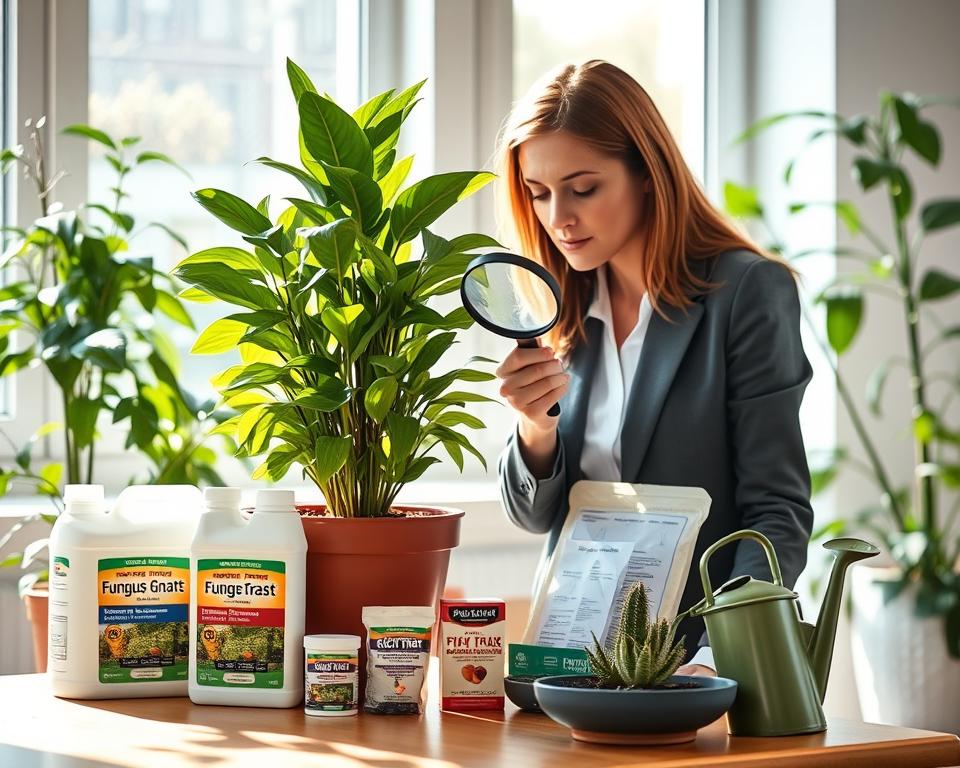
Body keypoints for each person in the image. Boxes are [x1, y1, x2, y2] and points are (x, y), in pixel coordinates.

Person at [495, 60, 813, 676]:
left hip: (698, 663)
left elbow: (777, 510)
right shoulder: (559, 312)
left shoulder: (746, 292)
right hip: (569, 659)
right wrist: (535, 430)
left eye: (583, 188)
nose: (558, 216)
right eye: (538, 193)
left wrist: (722, 659)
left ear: (646, 172)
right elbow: (535, 516)